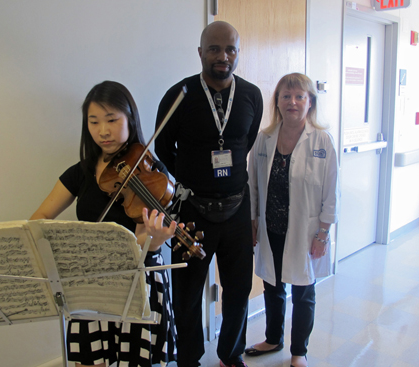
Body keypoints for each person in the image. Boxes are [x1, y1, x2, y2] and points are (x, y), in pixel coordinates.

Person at [30, 81, 178, 367]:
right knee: (89, 361)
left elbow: (145, 245)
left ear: (130, 120)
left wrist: (152, 239)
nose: (103, 131)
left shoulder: (152, 172)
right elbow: (40, 218)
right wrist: (68, 246)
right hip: (90, 282)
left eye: (112, 120)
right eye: (94, 121)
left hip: (138, 281)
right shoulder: (81, 172)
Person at [154, 21, 263, 367]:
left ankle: (231, 354)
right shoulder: (179, 94)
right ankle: (189, 358)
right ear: (200, 52)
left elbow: (245, 142)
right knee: (186, 294)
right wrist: (191, 179)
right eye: (214, 48)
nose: (223, 56)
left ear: (237, 54)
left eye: (230, 49)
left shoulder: (251, 95)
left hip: (236, 209)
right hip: (191, 210)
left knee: (238, 291)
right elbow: (162, 147)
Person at [246, 73, 340, 367]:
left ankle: (299, 351)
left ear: (310, 102)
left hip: (305, 230)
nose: (292, 102)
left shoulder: (322, 139)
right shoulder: (265, 138)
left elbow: (331, 191)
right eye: (286, 96)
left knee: (303, 290)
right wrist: (252, 222)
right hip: (271, 226)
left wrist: (323, 233)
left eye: (300, 96)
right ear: (277, 102)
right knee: (273, 286)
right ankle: (273, 339)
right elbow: (253, 185)